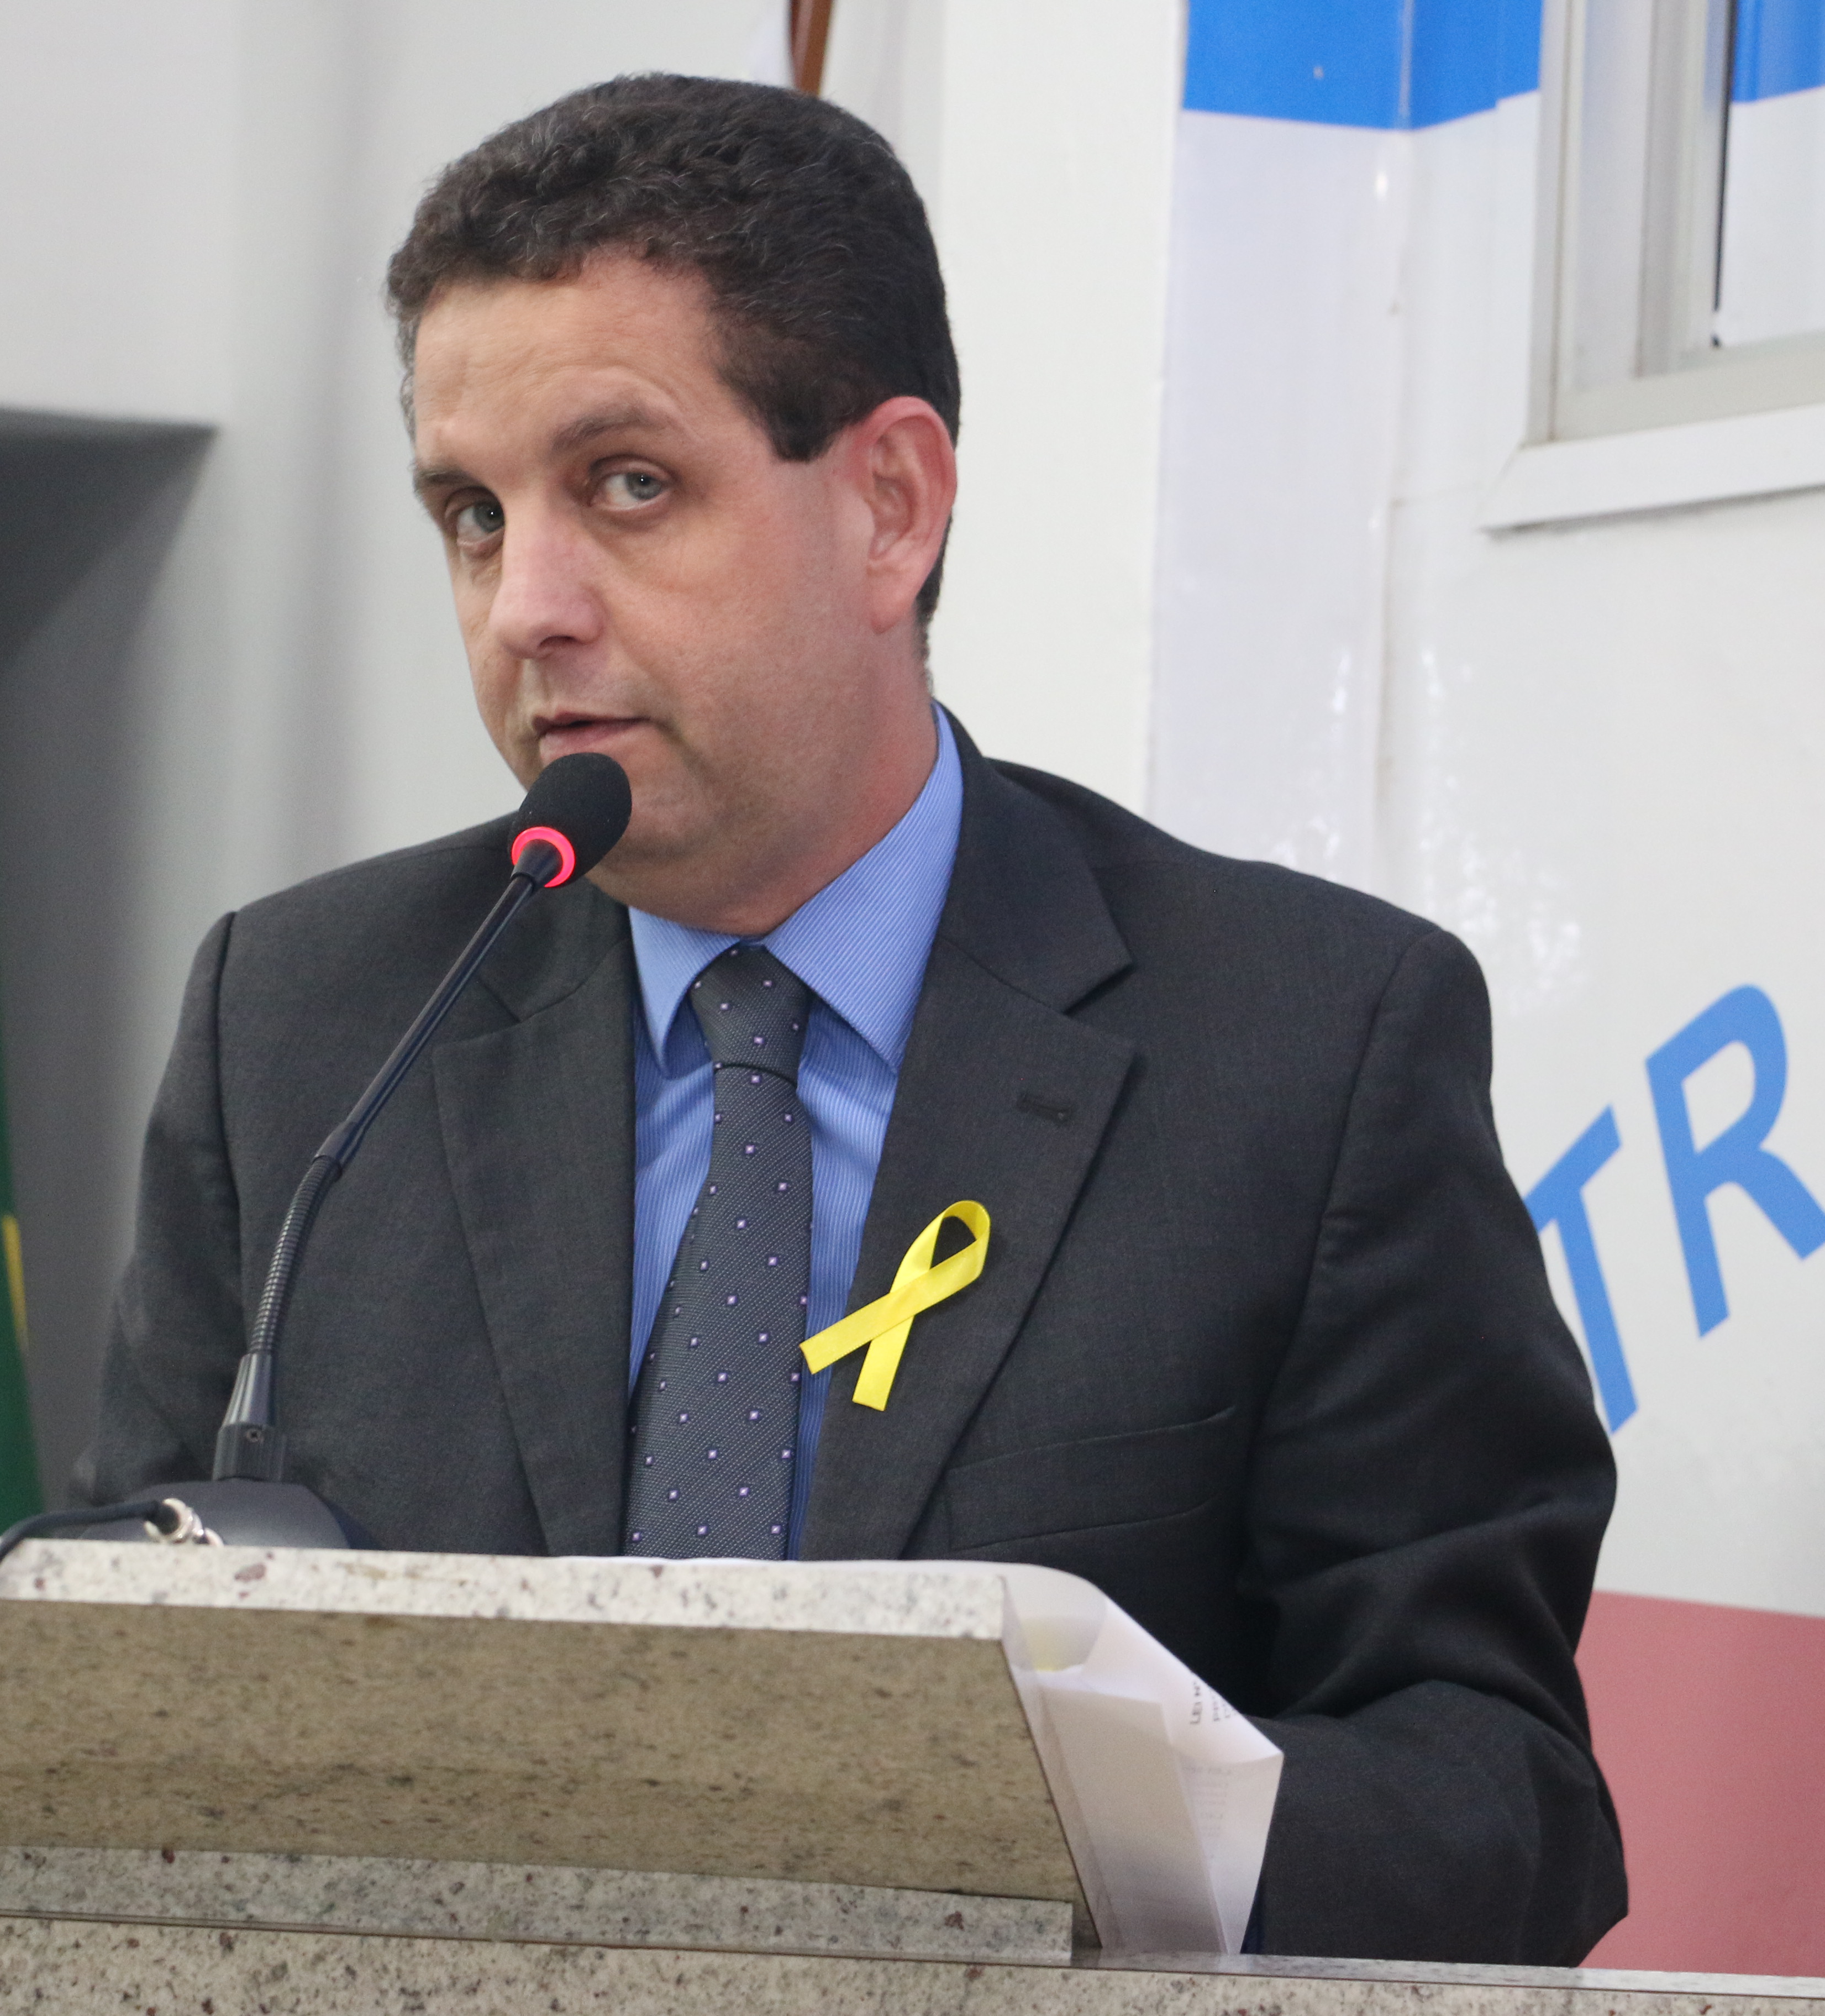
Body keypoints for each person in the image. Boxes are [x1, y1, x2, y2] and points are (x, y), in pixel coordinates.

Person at [82, 75, 1624, 1965]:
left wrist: (1045, 1813)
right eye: (473, 516)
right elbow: (103, 1703)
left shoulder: (1306, 1049)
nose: (527, 608)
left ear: (891, 508)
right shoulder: (308, 1030)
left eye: (627, 486)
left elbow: (1500, 1799)